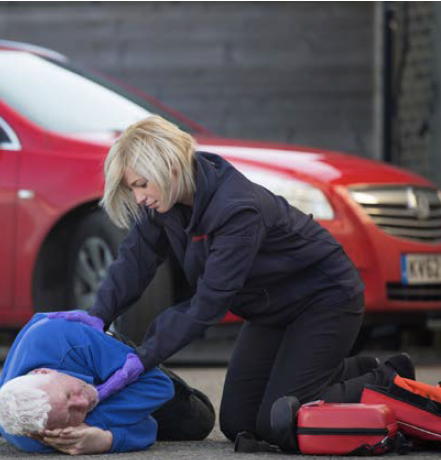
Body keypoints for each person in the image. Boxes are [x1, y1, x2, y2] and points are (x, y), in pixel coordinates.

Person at [55, 115, 416, 448]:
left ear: (168, 167)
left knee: (282, 422)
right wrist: (98, 315)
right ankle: (343, 369)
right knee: (239, 423)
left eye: (141, 184)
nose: (138, 197)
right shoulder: (163, 204)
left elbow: (209, 303)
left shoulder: (235, 208)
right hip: (272, 309)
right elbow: (134, 261)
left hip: (324, 300)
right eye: (132, 188)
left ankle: (385, 378)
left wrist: (142, 357)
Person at [0, 312, 215, 454]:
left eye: (70, 394)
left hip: (101, 356)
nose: (84, 402)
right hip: (31, 407)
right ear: (46, 432)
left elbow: (157, 386)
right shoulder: (39, 439)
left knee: (198, 416)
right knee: (196, 426)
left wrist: (103, 430)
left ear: (42, 372)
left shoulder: (71, 338)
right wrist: (106, 440)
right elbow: (147, 427)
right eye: (72, 414)